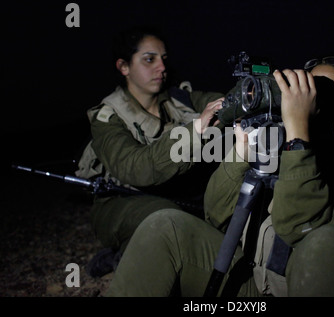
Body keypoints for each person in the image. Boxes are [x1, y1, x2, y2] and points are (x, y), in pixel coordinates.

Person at [105, 54, 334, 296]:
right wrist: (241, 154)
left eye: (322, 91)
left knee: (325, 242)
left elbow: (303, 227)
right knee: (165, 224)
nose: (311, 100)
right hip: (254, 292)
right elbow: (217, 216)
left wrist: (297, 136)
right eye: (305, 89)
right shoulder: (290, 150)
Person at [75, 26, 224, 277]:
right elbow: (136, 168)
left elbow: (219, 100)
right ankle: (122, 255)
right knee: (168, 218)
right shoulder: (107, 117)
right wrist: (196, 131)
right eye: (149, 59)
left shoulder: (178, 98)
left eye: (163, 59)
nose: (162, 67)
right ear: (124, 67)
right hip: (121, 201)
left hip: (177, 193)